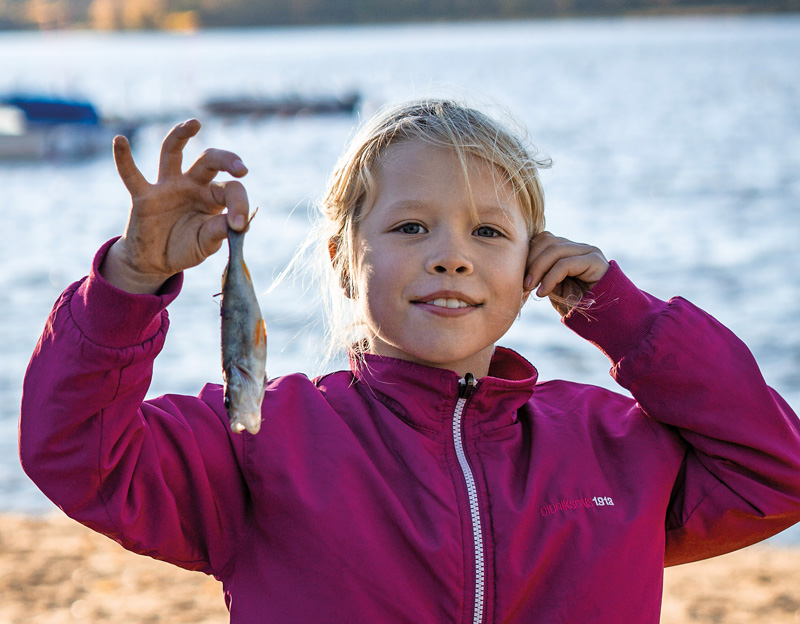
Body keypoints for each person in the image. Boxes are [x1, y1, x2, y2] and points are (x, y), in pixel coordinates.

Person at [19, 100, 800, 623]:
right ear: (344, 259)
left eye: (488, 234)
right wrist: (130, 278)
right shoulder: (260, 440)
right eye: (412, 228)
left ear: (539, 263)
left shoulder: (611, 444)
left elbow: (775, 470)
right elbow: (79, 453)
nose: (452, 258)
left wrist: (624, 318)